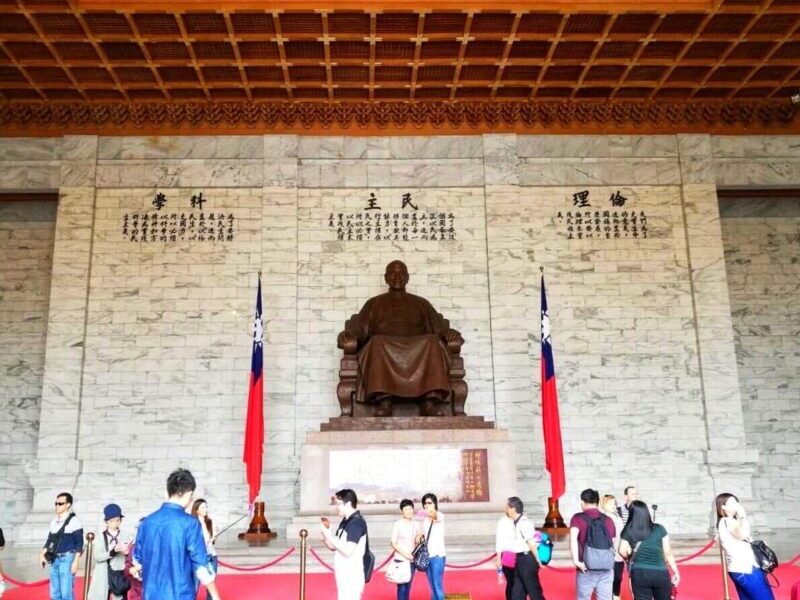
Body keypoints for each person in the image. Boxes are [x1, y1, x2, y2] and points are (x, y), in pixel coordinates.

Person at [337, 260, 464, 416]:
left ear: (408, 277)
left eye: (401, 273)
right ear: (386, 278)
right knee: (376, 341)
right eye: (393, 273)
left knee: (432, 341)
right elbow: (359, 330)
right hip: (384, 346)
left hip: (418, 347)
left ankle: (429, 402)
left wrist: (449, 334)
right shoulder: (373, 303)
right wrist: (348, 335)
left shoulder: (421, 303)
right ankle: (384, 401)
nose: (397, 276)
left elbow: (439, 329)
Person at [133, 468, 222, 600]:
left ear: (167, 493)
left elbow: (138, 562)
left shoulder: (146, 523)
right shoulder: (190, 523)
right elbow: (201, 566)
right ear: (188, 493)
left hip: (150, 595)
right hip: (180, 594)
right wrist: (215, 596)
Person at [715, 493, 775, 600]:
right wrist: (743, 516)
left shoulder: (725, 522)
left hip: (738, 568)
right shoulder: (728, 521)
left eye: (736, 502)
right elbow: (742, 534)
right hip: (746, 568)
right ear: (723, 506)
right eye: (732, 502)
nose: (737, 505)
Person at [618, 500, 679, 600]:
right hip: (660, 572)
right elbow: (667, 552)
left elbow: (621, 550)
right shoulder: (659, 529)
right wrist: (676, 572)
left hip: (639, 572)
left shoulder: (628, 530)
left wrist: (629, 557)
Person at [320, 488, 368, 600]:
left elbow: (347, 550)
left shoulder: (356, 522)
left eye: (339, 503)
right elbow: (335, 547)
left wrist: (328, 535)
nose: (337, 506)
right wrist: (326, 538)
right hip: (344, 572)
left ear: (349, 504)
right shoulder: (345, 521)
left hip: (352, 574)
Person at [569, 488, 616, 600]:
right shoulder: (608, 519)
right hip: (606, 567)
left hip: (585, 567)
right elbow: (612, 542)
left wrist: (576, 561)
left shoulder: (577, 518)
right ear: (598, 502)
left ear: (582, 502)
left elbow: (573, 539)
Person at [39, 492, 84, 600]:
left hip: (67, 559)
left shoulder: (74, 521)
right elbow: (49, 540)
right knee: (55, 593)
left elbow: (79, 543)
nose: (57, 506)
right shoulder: (54, 522)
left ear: (68, 505)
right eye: (56, 503)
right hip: (54, 559)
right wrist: (42, 555)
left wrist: (76, 562)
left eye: (60, 503)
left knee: (66, 593)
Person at [505, 497, 546, 600]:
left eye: (507, 507)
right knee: (517, 594)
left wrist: (538, 560)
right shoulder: (516, 523)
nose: (506, 510)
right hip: (519, 560)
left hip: (527, 560)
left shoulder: (524, 523)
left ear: (513, 509)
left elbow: (532, 543)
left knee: (534, 592)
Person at [88, 503, 130, 600]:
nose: (116, 523)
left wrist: (127, 551)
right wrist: (112, 552)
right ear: (106, 521)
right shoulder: (100, 537)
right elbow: (97, 557)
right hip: (103, 574)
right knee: (102, 596)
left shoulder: (125, 535)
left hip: (119, 574)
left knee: (120, 597)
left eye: (118, 520)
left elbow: (129, 555)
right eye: (112, 520)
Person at [390, 499, 419, 600]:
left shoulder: (416, 524)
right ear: (401, 511)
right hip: (401, 559)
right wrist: (406, 554)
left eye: (410, 509)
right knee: (402, 587)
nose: (409, 511)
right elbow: (393, 542)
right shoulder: (397, 524)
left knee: (408, 587)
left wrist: (420, 537)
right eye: (406, 509)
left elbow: (417, 541)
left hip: (412, 560)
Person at [421, 492, 446, 600]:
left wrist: (428, 512)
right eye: (425, 503)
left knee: (437, 586)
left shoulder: (440, 515)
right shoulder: (425, 520)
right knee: (432, 586)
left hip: (437, 556)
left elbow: (434, 515)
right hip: (427, 555)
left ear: (435, 503)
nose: (427, 505)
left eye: (429, 503)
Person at [191, 499, 218, 600]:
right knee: (194, 584)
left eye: (206, 507)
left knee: (211, 583)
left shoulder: (210, 522)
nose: (206, 509)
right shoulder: (192, 524)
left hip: (211, 556)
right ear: (196, 510)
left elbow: (213, 538)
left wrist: (213, 538)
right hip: (198, 558)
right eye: (203, 507)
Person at [602, 495, 625, 600]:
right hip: (611, 552)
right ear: (604, 504)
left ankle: (616, 596)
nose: (613, 505)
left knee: (618, 578)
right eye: (610, 503)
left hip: (620, 551)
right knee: (612, 578)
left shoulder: (616, 515)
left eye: (614, 503)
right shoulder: (604, 517)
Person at [495, 509, 517, 600]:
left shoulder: (522, 520)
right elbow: (498, 540)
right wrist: (498, 558)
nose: (506, 509)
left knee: (520, 583)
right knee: (511, 582)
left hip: (520, 556)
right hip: (507, 556)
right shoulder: (502, 521)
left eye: (508, 507)